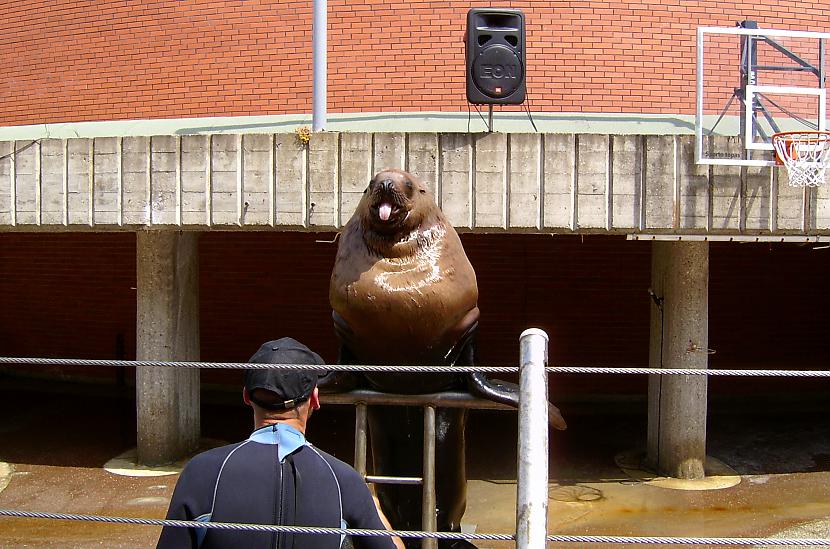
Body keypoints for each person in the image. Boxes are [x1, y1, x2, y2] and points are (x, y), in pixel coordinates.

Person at [156, 337, 403, 549]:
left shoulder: (202, 472)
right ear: (315, 399)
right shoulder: (345, 481)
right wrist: (373, 509)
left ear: (246, 396)